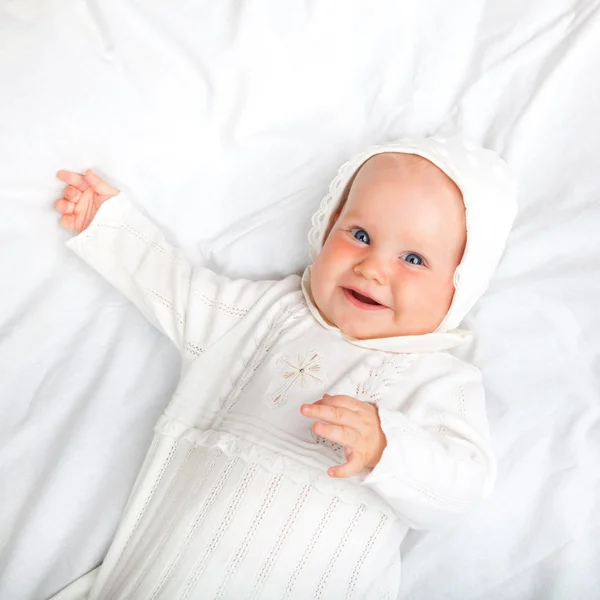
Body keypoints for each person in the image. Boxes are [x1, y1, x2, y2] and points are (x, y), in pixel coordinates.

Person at [51, 137, 517, 600]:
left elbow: (465, 488)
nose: (373, 268)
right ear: (330, 223)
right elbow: (180, 291)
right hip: (167, 574)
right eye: (359, 235)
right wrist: (110, 225)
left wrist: (387, 448)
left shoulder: (441, 382)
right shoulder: (263, 313)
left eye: (413, 259)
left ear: (461, 286)